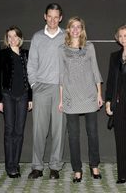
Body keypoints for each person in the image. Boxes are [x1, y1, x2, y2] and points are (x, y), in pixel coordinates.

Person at [58, 16, 103, 183]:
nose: (75, 29)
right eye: (72, 27)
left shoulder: (89, 47)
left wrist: (99, 94)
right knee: (73, 136)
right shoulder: (61, 49)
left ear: (82, 29)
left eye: (78, 26)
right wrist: (61, 100)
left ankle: (94, 166)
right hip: (70, 98)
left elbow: (96, 72)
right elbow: (61, 76)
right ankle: (77, 170)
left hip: (90, 96)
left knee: (92, 134)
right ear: (68, 29)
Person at [27, 3, 65, 179]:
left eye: (56, 17)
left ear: (61, 18)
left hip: (60, 89)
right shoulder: (37, 37)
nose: (52, 20)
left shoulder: (67, 36)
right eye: (50, 16)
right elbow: (32, 64)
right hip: (41, 88)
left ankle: (55, 167)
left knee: (59, 129)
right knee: (39, 130)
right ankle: (37, 166)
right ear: (45, 16)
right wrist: (34, 85)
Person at [0, 26, 32, 178]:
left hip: (23, 96)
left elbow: (31, 78)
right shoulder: (2, 54)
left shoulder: (26, 54)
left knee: (19, 131)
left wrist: (30, 98)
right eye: (9, 36)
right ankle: (9, 166)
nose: (12, 39)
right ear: (7, 39)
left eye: (15, 36)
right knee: (9, 131)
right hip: (8, 96)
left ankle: (15, 163)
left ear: (20, 38)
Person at [105, 24, 126, 184]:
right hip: (119, 103)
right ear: (117, 38)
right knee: (120, 139)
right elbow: (111, 81)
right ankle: (122, 175)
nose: (124, 39)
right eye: (121, 36)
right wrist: (108, 101)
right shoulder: (114, 56)